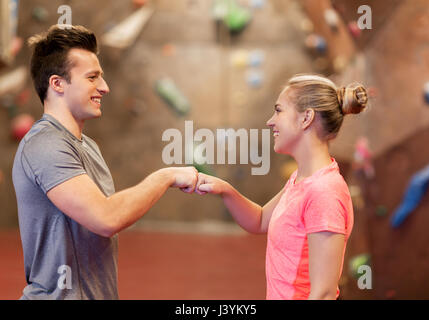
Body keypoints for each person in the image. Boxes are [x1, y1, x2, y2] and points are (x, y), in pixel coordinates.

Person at [12, 25, 198, 300]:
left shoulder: (88, 147)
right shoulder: (45, 145)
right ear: (57, 84)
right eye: (92, 78)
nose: (105, 87)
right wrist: (166, 176)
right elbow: (106, 217)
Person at [194, 74, 368, 299]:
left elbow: (323, 294)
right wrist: (224, 189)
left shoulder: (324, 192)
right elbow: (259, 220)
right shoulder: (302, 179)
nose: (270, 121)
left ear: (306, 118)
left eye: (278, 110)